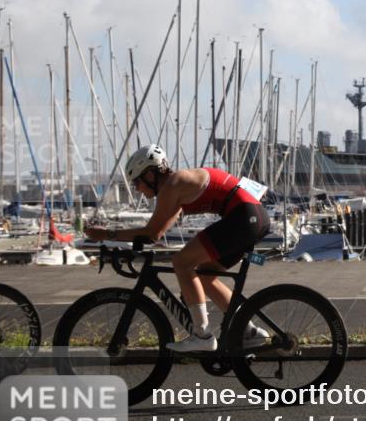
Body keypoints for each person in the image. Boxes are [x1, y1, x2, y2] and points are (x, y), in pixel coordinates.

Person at [85, 145, 271, 352]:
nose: (136, 188)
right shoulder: (179, 187)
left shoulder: (173, 185)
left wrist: (106, 234)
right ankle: (249, 330)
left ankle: (202, 335)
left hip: (244, 217)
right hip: (253, 217)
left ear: (150, 174)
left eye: (137, 182)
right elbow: (157, 234)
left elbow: (151, 232)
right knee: (204, 276)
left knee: (182, 262)